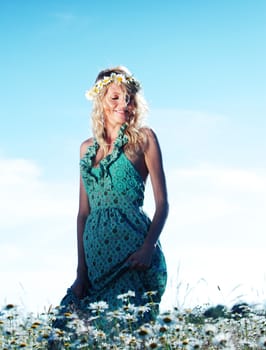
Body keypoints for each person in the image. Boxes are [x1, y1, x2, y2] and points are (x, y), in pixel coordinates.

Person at [53, 66, 168, 328]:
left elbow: (163, 204)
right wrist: (81, 272)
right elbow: (83, 214)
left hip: (132, 257)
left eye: (128, 98)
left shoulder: (145, 139)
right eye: (115, 98)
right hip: (95, 265)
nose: (123, 105)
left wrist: (148, 248)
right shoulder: (86, 149)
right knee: (62, 329)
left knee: (121, 332)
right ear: (100, 101)